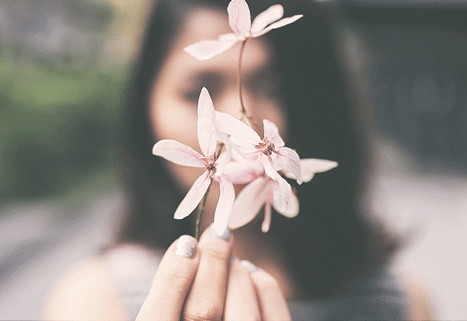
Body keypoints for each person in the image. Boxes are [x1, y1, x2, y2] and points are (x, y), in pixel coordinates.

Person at [44, 0, 430, 319]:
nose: (233, 129)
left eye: (276, 88)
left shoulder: (401, 302)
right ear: (145, 108)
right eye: (199, 92)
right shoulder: (91, 302)